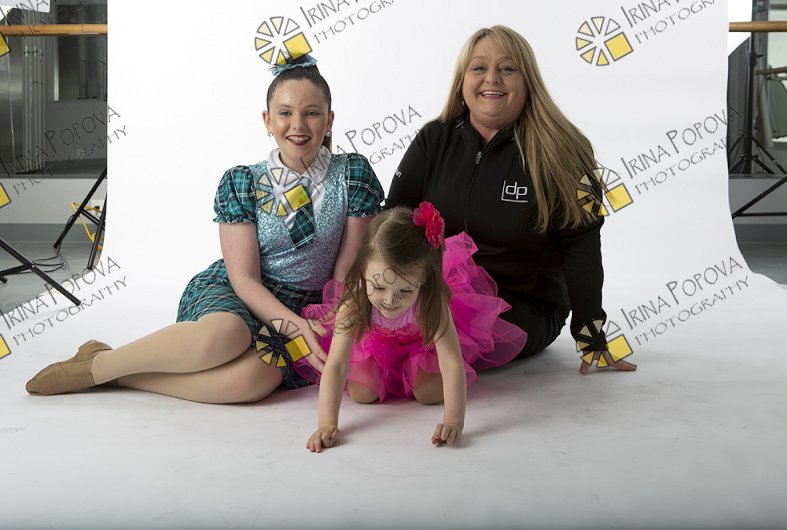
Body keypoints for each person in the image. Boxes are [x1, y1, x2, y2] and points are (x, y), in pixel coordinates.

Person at [25, 55, 385, 402]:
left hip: (309, 308)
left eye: (312, 113)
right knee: (226, 335)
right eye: (285, 113)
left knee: (256, 379)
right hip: (241, 290)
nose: (298, 125)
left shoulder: (352, 175)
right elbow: (244, 277)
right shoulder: (243, 181)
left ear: (329, 119)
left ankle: (119, 374)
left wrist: (328, 322)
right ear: (267, 120)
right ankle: (98, 367)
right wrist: (288, 324)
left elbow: (345, 271)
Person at [385, 25, 636, 374]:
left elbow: (582, 244)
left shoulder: (564, 149)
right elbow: (392, 221)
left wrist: (590, 336)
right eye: (479, 68)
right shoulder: (433, 138)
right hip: (435, 292)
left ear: (527, 80)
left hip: (521, 306)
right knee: (390, 325)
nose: (492, 78)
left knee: (434, 334)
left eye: (507, 68)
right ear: (461, 80)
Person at [300, 203, 527, 452]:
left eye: (405, 291)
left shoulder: (431, 302)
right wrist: (327, 423)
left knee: (429, 394)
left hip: (420, 347)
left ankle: (413, 374)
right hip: (377, 346)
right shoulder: (354, 301)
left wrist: (454, 422)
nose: (389, 300)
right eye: (379, 287)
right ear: (362, 269)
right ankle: (386, 374)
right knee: (362, 394)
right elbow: (336, 365)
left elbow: (451, 362)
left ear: (424, 282)